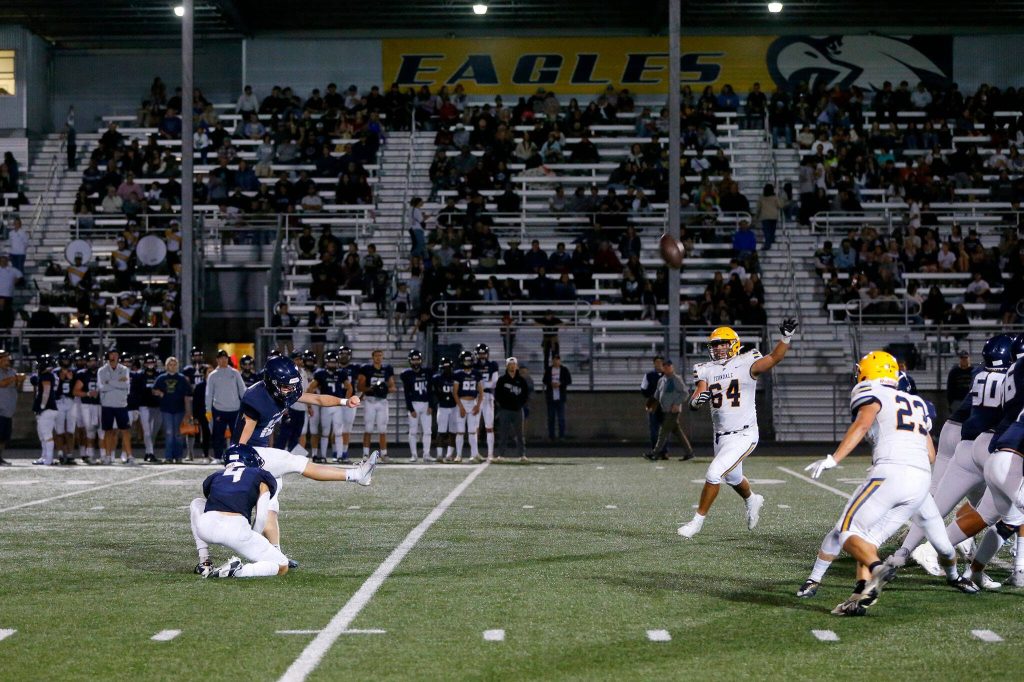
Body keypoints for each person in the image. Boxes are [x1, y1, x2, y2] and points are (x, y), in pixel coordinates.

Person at [799, 351, 977, 617]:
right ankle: (862, 593)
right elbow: (931, 454)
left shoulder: (870, 391)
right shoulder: (918, 403)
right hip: (919, 480)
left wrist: (834, 459)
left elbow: (861, 424)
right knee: (868, 538)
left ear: (870, 371)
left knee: (845, 531)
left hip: (891, 473)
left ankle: (876, 568)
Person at [883, 334, 1014, 585]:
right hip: (994, 447)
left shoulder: (979, 375)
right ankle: (944, 552)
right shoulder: (1012, 377)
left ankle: (904, 552)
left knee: (937, 505)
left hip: (968, 443)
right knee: (1000, 513)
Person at [678, 319, 798, 540]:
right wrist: (696, 402)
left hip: (744, 433)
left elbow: (774, 358)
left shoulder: (746, 361)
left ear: (733, 344)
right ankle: (752, 499)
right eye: (714, 345)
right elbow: (696, 397)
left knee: (714, 473)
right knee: (733, 478)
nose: (718, 348)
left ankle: (697, 522)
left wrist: (786, 337)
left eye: (722, 344)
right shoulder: (705, 369)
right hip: (720, 435)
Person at [190, 442, 378, 578]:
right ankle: (238, 571)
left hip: (206, 528)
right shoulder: (259, 473)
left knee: (196, 504)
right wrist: (253, 536)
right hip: (236, 531)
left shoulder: (215, 475)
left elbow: (208, 500)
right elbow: (263, 512)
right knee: (282, 565)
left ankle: (204, 561)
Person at [955, 333, 1024, 588]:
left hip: (996, 450)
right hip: (1011, 458)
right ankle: (934, 547)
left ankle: (973, 572)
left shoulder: (1011, 371)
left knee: (1006, 520)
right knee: (998, 517)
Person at [308, 349, 354, 463]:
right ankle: (323, 455)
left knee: (338, 432)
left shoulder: (341, 373)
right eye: (330, 362)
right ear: (326, 362)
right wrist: (312, 403)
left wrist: (345, 401)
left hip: (337, 405)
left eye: (334, 362)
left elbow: (350, 388)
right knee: (325, 432)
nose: (332, 364)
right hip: (325, 406)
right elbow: (310, 388)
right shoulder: (320, 374)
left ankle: (339, 456)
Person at [644, 359, 694, 461]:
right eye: (665, 366)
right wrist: (651, 404)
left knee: (663, 432)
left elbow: (685, 393)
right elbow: (657, 394)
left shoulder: (676, 379)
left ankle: (655, 453)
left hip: (673, 411)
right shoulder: (662, 380)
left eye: (668, 366)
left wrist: (676, 403)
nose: (666, 368)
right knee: (678, 432)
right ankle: (689, 452)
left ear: (672, 367)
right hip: (665, 410)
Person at [205, 349, 247, 462]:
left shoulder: (235, 372)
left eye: (225, 358)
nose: (223, 360)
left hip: (235, 409)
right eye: (221, 358)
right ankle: (218, 457)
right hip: (219, 409)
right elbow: (208, 394)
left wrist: (246, 406)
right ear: (217, 360)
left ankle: (236, 457)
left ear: (228, 359)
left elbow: (243, 390)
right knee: (218, 435)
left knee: (236, 436)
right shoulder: (212, 375)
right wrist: (208, 410)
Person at [356, 350, 395, 462]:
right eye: (376, 356)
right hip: (370, 400)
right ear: (372, 357)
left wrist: (384, 389)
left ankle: (384, 454)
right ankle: (365, 454)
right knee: (368, 428)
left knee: (382, 429)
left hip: (382, 401)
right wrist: (372, 389)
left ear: (383, 357)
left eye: (380, 356)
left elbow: (393, 387)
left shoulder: (387, 369)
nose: (378, 358)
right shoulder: (366, 369)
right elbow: (360, 387)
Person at [97, 348, 133, 466]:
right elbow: (102, 387)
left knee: (125, 431)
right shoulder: (101, 370)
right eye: (112, 354)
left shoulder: (124, 369)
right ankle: (107, 456)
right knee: (108, 431)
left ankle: (129, 456)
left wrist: (110, 382)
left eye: (116, 354)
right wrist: (117, 382)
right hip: (107, 404)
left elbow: (125, 386)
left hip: (121, 404)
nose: (114, 357)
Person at [153, 357, 192, 464]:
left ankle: (178, 456)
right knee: (169, 433)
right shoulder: (161, 378)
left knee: (178, 434)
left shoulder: (182, 378)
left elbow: (187, 396)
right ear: (166, 366)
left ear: (177, 366)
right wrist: (159, 393)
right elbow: (154, 389)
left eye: (175, 364)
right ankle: (169, 456)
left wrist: (188, 412)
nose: (172, 366)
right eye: (170, 364)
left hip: (180, 409)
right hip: (166, 409)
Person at [494, 357, 530, 462]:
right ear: (506, 366)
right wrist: (502, 405)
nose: (512, 366)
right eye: (510, 364)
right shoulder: (502, 380)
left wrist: (520, 404)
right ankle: (501, 454)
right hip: (505, 410)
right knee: (503, 433)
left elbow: (525, 394)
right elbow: (497, 394)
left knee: (519, 434)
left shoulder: (521, 380)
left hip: (518, 410)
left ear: (516, 366)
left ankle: (522, 454)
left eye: (514, 364)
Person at [400, 349, 433, 462]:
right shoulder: (407, 374)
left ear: (420, 360)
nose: (415, 362)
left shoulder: (427, 372)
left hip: (425, 404)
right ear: (410, 361)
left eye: (417, 360)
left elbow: (430, 390)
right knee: (413, 431)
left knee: (427, 431)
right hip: (414, 404)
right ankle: (414, 455)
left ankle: (426, 454)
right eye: (413, 360)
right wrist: (410, 408)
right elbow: (406, 393)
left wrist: (431, 405)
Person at [182, 347, 211, 463]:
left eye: (199, 355)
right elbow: (185, 385)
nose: (197, 357)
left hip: (203, 400)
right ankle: (190, 453)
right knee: (190, 428)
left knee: (205, 428)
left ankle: (206, 453)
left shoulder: (206, 368)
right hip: (191, 399)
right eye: (195, 355)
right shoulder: (187, 370)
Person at [72, 352, 101, 464]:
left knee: (94, 429)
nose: (92, 363)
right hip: (80, 402)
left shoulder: (102, 372)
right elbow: (75, 391)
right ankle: (84, 452)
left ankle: (92, 453)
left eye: (94, 360)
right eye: (90, 361)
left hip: (97, 403)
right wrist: (88, 394)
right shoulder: (79, 373)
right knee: (82, 428)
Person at [474, 343, 500, 461]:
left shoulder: (493, 365)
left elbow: (494, 382)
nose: (482, 356)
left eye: (484, 353)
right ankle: (475, 453)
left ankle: (490, 453)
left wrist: (481, 385)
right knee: (474, 427)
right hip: (476, 398)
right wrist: (484, 384)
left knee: (489, 426)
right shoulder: (473, 366)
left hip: (488, 396)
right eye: (480, 353)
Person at [137, 354, 163, 462]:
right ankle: (150, 453)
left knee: (154, 431)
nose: (150, 365)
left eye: (152, 362)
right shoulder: (140, 376)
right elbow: (139, 390)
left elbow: (163, 389)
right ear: (145, 364)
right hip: (144, 406)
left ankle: (148, 451)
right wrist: (151, 391)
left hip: (157, 406)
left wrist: (160, 393)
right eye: (148, 362)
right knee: (147, 431)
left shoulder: (160, 375)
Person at [431, 357, 458, 462]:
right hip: (442, 407)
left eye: (448, 368)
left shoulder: (456, 377)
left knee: (452, 431)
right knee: (441, 431)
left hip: (454, 406)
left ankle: (449, 454)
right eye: (444, 368)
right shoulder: (436, 378)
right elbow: (433, 391)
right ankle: (439, 455)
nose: (446, 370)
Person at [0, 349, 23, 466]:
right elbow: (2, 384)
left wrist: (20, 381)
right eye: (4, 358)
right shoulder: (10, 374)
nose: (6, 360)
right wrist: (15, 378)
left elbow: (18, 388)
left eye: (7, 358)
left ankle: (0, 457)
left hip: (8, 409)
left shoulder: (12, 371)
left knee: (4, 436)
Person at [640, 355, 666, 458]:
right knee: (654, 430)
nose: (659, 364)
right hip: (654, 404)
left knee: (664, 430)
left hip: (665, 405)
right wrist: (651, 397)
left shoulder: (668, 375)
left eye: (660, 362)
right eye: (657, 362)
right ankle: (655, 451)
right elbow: (643, 389)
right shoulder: (649, 375)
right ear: (654, 363)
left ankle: (663, 452)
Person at [542, 354, 572, 441]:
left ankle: (561, 435)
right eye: (554, 360)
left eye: (557, 360)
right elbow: (544, 380)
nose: (556, 361)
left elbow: (569, 380)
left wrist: (561, 383)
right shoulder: (549, 370)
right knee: (551, 417)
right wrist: (551, 383)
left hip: (560, 397)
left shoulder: (564, 370)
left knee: (561, 418)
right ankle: (551, 436)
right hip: (551, 397)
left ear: (560, 361)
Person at [754, 184, 784, 251]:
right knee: (772, 230)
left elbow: (758, 208)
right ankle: (772, 240)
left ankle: (767, 245)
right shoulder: (775, 197)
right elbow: (780, 205)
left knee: (767, 231)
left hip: (765, 217)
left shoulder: (761, 197)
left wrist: (756, 217)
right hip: (774, 216)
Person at [946, 349, 974, 414]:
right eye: (962, 358)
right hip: (957, 402)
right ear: (959, 359)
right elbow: (950, 389)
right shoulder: (953, 372)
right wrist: (951, 403)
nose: (964, 360)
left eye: (965, 357)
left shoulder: (974, 371)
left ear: (969, 358)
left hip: (971, 401)